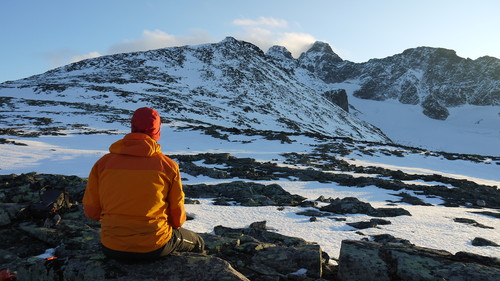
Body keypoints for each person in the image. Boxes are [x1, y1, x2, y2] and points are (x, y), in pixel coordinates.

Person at [83, 107, 204, 260]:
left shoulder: (103, 164)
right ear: (157, 131)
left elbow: (91, 213)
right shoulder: (167, 166)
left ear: (132, 127)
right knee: (197, 242)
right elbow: (177, 220)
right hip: (155, 246)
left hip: (112, 246)